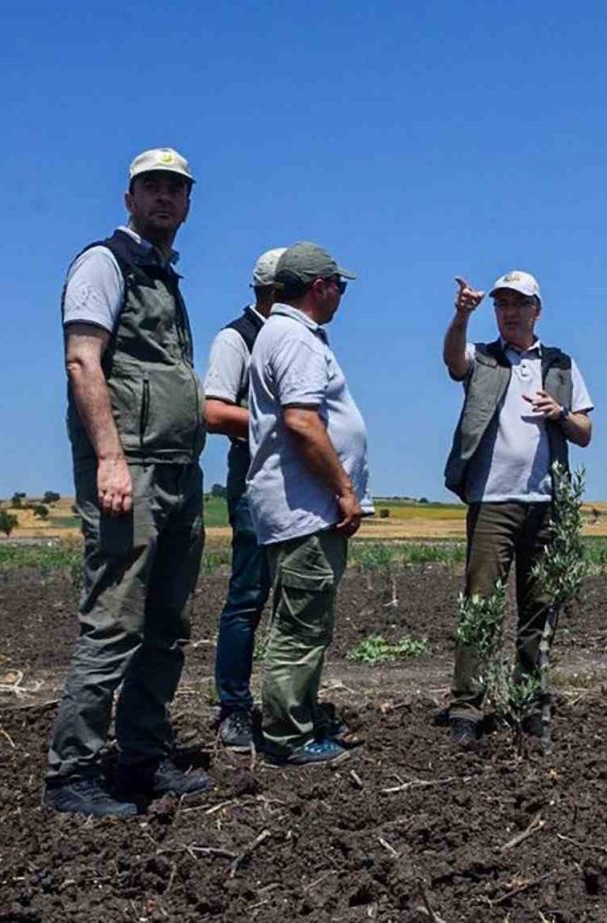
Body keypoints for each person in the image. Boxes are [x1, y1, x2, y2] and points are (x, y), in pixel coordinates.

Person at [45, 147, 210, 816]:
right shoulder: (104, 263)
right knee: (115, 618)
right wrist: (110, 459)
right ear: (129, 199)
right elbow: (84, 363)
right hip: (129, 470)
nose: (164, 197)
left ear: (188, 202)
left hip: (177, 469)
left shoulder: (165, 278)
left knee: (167, 623)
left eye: (176, 188)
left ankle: (142, 753)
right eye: (152, 187)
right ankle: (72, 771)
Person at [443, 271, 594, 749]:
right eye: (501, 304)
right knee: (481, 605)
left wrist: (561, 414)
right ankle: (467, 707)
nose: (509, 311)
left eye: (518, 304)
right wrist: (461, 314)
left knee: (538, 609)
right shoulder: (483, 357)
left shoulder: (560, 364)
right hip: (493, 501)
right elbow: (452, 362)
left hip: (545, 504)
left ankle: (531, 705)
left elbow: (585, 431)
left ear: (537, 311)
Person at [244, 241, 370, 767]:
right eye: (338, 285)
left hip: (301, 509)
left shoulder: (286, 333)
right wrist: (344, 488)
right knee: (300, 626)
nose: (342, 294)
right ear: (319, 288)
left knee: (305, 621)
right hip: (305, 510)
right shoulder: (295, 339)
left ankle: (298, 716)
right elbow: (301, 421)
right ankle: (287, 736)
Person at [203, 248, 286, 751]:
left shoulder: (295, 337)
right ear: (277, 291)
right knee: (248, 595)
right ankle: (233, 707)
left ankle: (285, 703)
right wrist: (287, 426)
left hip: (295, 477)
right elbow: (214, 412)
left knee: (290, 594)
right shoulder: (236, 338)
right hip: (255, 476)